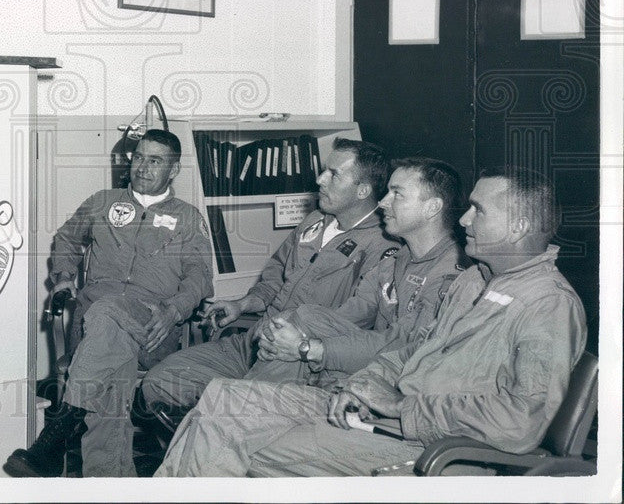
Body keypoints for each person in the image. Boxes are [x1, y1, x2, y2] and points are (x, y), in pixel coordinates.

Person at [155, 167, 586, 477]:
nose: (463, 219)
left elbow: (519, 422)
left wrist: (401, 407)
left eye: (479, 211)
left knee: (236, 438)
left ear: (521, 226)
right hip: (384, 416)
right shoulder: (476, 279)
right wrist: (361, 385)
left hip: (435, 445)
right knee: (220, 398)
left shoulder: (547, 304)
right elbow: (413, 348)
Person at [2, 128, 213, 478]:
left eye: (155, 161)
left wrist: (174, 310)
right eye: (139, 157)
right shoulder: (103, 202)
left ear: (173, 170)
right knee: (108, 370)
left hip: (152, 330)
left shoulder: (188, 218)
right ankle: (110, 484)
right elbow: (67, 239)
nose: (142, 167)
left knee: (106, 313)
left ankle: (56, 435)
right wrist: (64, 277)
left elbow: (200, 277)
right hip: (92, 332)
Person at [141, 138, 392, 419]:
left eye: (333, 174)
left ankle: (222, 428)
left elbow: (356, 322)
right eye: (324, 170)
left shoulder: (382, 246)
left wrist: (294, 337)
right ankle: (212, 425)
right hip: (254, 340)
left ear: (362, 190)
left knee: (233, 413)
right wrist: (244, 304)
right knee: (160, 381)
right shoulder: (315, 220)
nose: (320, 179)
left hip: (296, 358)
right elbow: (276, 275)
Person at [268, 157, 467, 387]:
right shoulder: (393, 262)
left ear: (432, 207)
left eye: (397, 194)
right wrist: (283, 334)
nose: (382, 202)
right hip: (363, 374)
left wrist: (307, 348)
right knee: (302, 317)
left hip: (398, 388)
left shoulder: (452, 276)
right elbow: (347, 316)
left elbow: (403, 346)